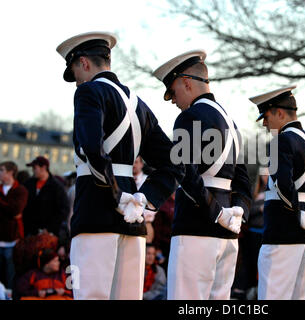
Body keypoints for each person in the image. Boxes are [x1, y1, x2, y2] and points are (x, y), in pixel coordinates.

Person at [56, 32, 185, 300]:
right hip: (133, 216)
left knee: (89, 295)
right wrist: (143, 199)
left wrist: (115, 196)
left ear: (84, 63)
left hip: (95, 207)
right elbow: (174, 163)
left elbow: (91, 148)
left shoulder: (89, 92)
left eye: (75, 72)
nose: (77, 81)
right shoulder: (140, 106)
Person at [153, 49, 252, 299]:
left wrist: (214, 211)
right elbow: (243, 181)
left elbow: (184, 172)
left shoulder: (190, 117)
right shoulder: (232, 123)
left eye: (173, 92)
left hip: (196, 225)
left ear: (186, 82)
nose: (173, 101)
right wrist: (237, 212)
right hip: (229, 231)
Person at [249, 85, 305, 300]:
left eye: (266, 116)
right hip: (304, 233)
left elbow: (283, 186)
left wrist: (297, 214)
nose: (265, 123)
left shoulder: (280, 141)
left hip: (282, 231)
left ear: (280, 112)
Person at [231, 167, 268, 300]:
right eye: (263, 174)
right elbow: (248, 210)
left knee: (264, 263)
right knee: (250, 262)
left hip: (266, 233)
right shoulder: (255, 191)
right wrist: (260, 208)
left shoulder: (274, 191)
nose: (266, 176)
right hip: (253, 233)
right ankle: (244, 290)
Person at [22, 156, 70, 244]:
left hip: (48, 234)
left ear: (44, 167)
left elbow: (64, 210)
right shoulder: (28, 184)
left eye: (35, 168)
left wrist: (50, 228)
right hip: (29, 231)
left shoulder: (56, 186)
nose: (33, 170)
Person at [0, 161, 28, 290]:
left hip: (13, 239)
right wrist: (9, 209)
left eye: (2, 170)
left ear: (10, 172)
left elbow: (16, 209)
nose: (0, 173)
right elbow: (12, 210)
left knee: (11, 273)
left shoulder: (20, 190)